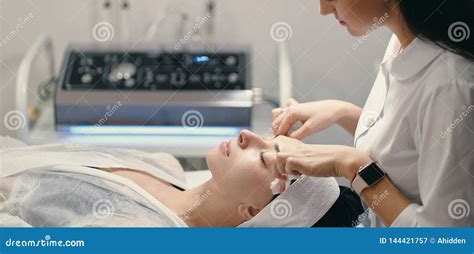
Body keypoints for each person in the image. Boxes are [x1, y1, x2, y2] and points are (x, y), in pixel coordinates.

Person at [267, 0, 473, 227]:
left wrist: (350, 165)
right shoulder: (405, 43)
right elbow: (410, 154)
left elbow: (446, 241)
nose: (323, 9)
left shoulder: (450, 85)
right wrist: (345, 113)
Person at [0, 132, 362, 227]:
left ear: (254, 212)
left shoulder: (140, 231)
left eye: (265, 157)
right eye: (270, 139)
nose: (247, 136)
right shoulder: (165, 166)